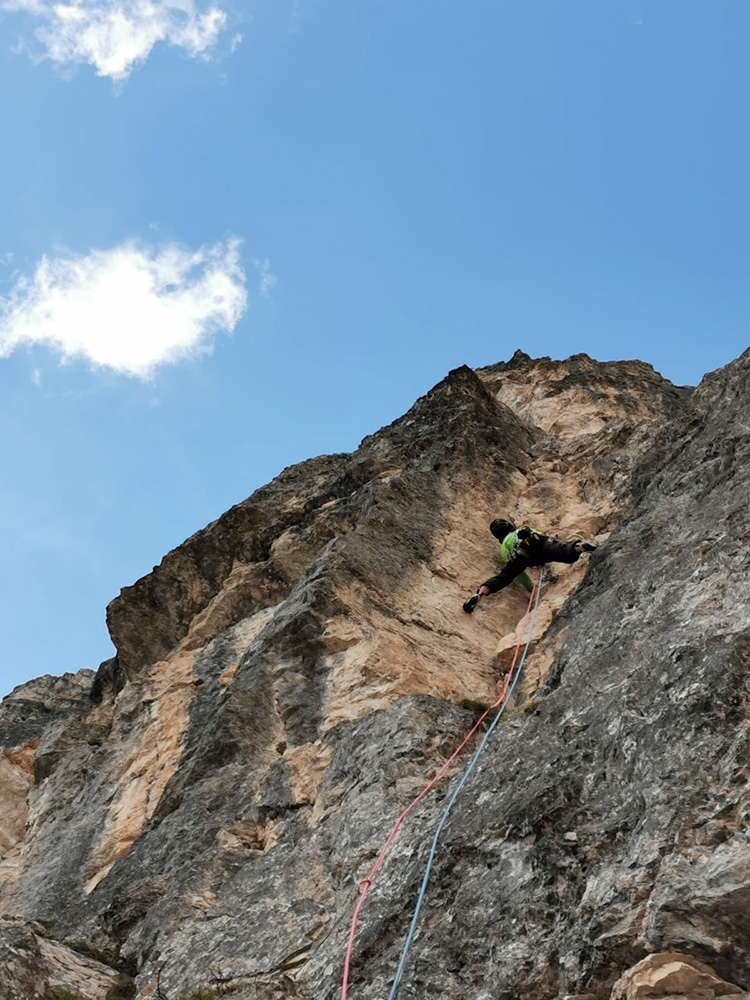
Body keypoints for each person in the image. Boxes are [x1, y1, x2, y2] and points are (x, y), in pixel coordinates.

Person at [462, 519, 596, 613]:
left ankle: (479, 594)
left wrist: (530, 586)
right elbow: (542, 537)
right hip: (536, 543)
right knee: (563, 552)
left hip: (521, 556)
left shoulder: (503, 548)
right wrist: (553, 540)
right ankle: (579, 547)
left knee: (504, 577)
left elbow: (519, 574)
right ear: (510, 526)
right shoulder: (522, 530)